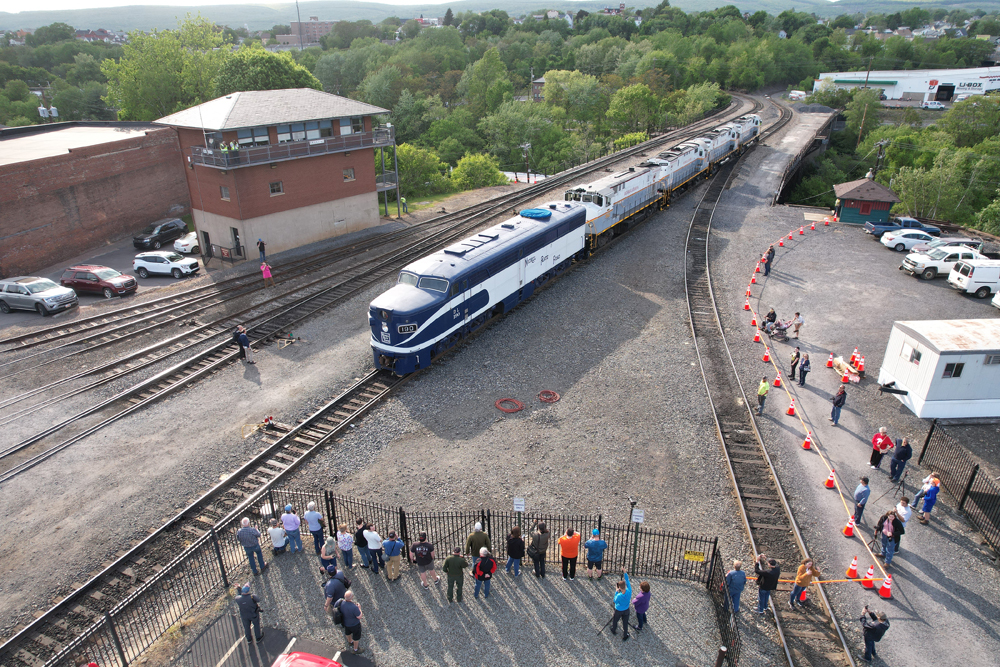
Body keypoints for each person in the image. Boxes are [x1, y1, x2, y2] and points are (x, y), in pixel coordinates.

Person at [335, 590, 364, 654]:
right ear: (352, 597)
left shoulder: (340, 602)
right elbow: (359, 616)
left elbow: (335, 607)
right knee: (356, 637)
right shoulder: (354, 607)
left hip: (345, 623)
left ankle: (350, 642)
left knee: (347, 633)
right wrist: (359, 608)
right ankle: (356, 649)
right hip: (355, 625)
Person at [611, 568, 632, 641]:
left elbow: (615, 601)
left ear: (619, 588)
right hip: (626, 609)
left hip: (619, 609)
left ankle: (613, 629)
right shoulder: (629, 591)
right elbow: (627, 581)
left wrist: (616, 592)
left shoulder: (619, 596)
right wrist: (625, 573)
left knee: (615, 620)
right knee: (625, 623)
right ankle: (625, 634)